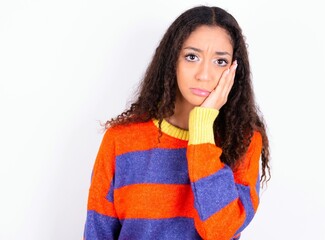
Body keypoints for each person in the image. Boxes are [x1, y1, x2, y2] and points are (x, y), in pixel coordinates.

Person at [83, 5, 270, 240]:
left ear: (234, 70)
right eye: (192, 57)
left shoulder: (244, 142)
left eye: (220, 62)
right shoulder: (121, 140)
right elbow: (97, 233)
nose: (204, 74)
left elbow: (219, 231)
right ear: (172, 61)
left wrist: (202, 127)